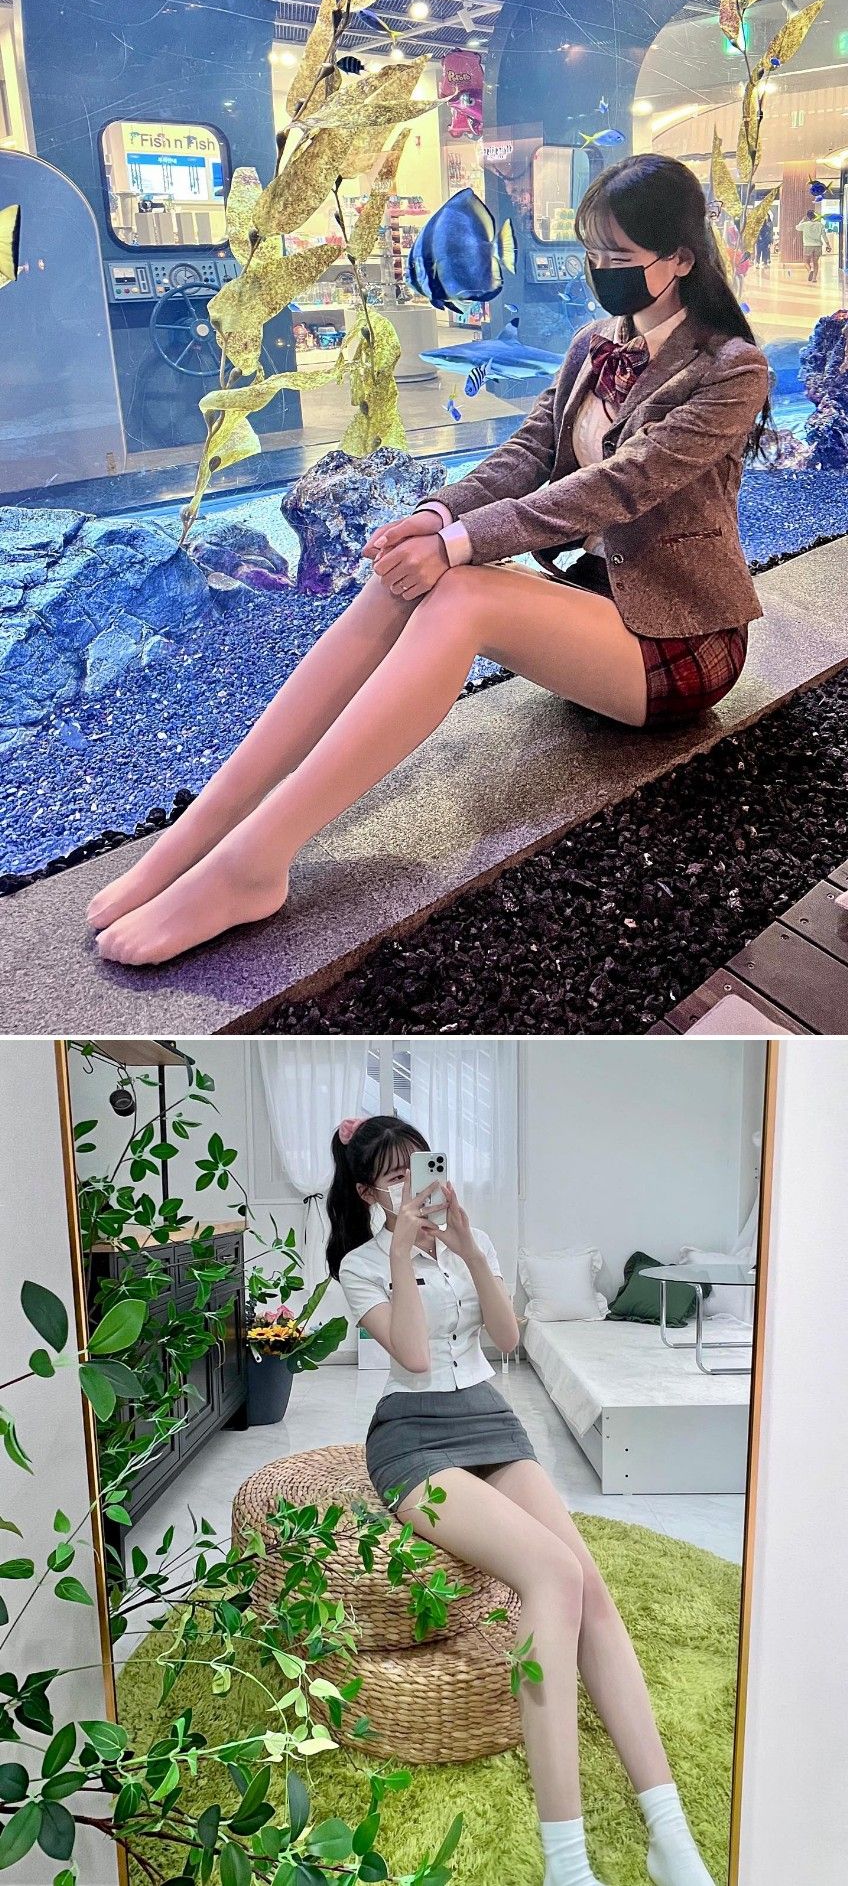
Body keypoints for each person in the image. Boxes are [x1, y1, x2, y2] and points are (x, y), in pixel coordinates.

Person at [88, 153, 770, 969]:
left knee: (459, 595)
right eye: (590, 250)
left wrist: (457, 545)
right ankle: (209, 824)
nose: (598, 269)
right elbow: (528, 453)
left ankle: (252, 865)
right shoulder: (594, 345)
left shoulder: (733, 369)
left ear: (681, 258)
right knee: (404, 575)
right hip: (594, 608)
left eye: (617, 256)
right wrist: (433, 516)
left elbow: (618, 487)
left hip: (681, 642)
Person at [327, 1110, 718, 1886]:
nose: (415, 1185)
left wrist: (469, 1249)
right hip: (412, 1434)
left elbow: (506, 1341)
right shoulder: (362, 1266)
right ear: (370, 1192)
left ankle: (668, 1831)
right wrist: (402, 1251)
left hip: (487, 1415)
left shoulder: (474, 1240)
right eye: (396, 1176)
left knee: (590, 1588)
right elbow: (412, 1356)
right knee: (552, 1574)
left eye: (422, 1167)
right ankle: (566, 1865)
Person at [800, 203, 830, 284]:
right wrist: (828, 245)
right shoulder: (820, 225)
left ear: (808, 217)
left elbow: (797, 227)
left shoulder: (805, 224)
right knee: (815, 262)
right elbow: (824, 236)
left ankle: (810, 270)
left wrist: (802, 220)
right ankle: (814, 278)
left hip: (808, 246)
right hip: (818, 246)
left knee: (806, 262)